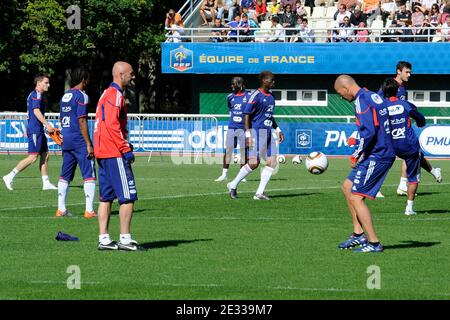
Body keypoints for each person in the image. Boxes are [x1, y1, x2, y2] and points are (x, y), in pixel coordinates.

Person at [335, 75, 395, 253]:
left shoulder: (361, 101)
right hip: (378, 151)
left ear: (346, 89)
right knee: (347, 187)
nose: (340, 97)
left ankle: (374, 243)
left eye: (340, 93)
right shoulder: (372, 95)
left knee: (356, 197)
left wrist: (356, 154)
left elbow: (368, 133)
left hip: (378, 154)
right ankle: (358, 233)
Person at [94, 61, 141, 251]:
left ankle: (104, 239)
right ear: (121, 75)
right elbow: (112, 125)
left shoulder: (106, 93)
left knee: (106, 198)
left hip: (103, 151)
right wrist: (125, 148)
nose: (133, 76)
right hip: (114, 152)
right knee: (128, 196)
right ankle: (125, 239)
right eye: (130, 73)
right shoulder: (116, 95)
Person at [378, 61, 441, 196]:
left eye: (410, 72)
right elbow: (378, 104)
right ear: (398, 71)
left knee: (413, 153)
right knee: (385, 156)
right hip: (387, 128)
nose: (409, 74)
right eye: (407, 72)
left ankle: (403, 185)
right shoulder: (389, 86)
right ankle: (376, 187)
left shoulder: (402, 88)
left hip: (399, 126)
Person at [227, 71, 284, 200]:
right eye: (272, 80)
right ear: (264, 81)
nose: (274, 82)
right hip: (257, 133)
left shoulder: (271, 96)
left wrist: (278, 129)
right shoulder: (255, 96)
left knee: (272, 162)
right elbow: (246, 114)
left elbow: (269, 115)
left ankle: (259, 193)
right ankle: (233, 185)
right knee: (254, 163)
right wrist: (247, 134)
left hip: (268, 133)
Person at [3, 74, 58, 191]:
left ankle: (46, 183)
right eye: (46, 82)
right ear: (39, 83)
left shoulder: (34, 95)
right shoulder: (37, 95)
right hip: (35, 130)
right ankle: (9, 176)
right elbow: (36, 111)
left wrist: (27, 127)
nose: (48, 85)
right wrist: (47, 124)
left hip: (36, 129)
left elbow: (30, 113)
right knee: (33, 157)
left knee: (45, 155)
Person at [55, 67, 96, 218]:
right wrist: (88, 143)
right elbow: (82, 120)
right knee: (89, 174)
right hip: (79, 140)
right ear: (84, 79)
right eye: (88, 79)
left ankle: (61, 209)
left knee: (64, 175)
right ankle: (89, 210)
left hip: (67, 139)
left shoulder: (65, 96)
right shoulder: (82, 96)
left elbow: (61, 118)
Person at [381, 78, 426, 215]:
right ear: (397, 91)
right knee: (413, 177)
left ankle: (370, 191)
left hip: (391, 146)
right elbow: (421, 119)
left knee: (381, 166)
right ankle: (409, 208)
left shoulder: (381, 107)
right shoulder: (405, 104)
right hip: (409, 145)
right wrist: (419, 122)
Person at [215, 77, 251, 182]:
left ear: (240, 85)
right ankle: (224, 174)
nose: (232, 86)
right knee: (228, 150)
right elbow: (230, 110)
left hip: (243, 128)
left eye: (233, 84)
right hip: (232, 127)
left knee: (243, 151)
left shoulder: (249, 96)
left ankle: (242, 175)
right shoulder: (230, 97)